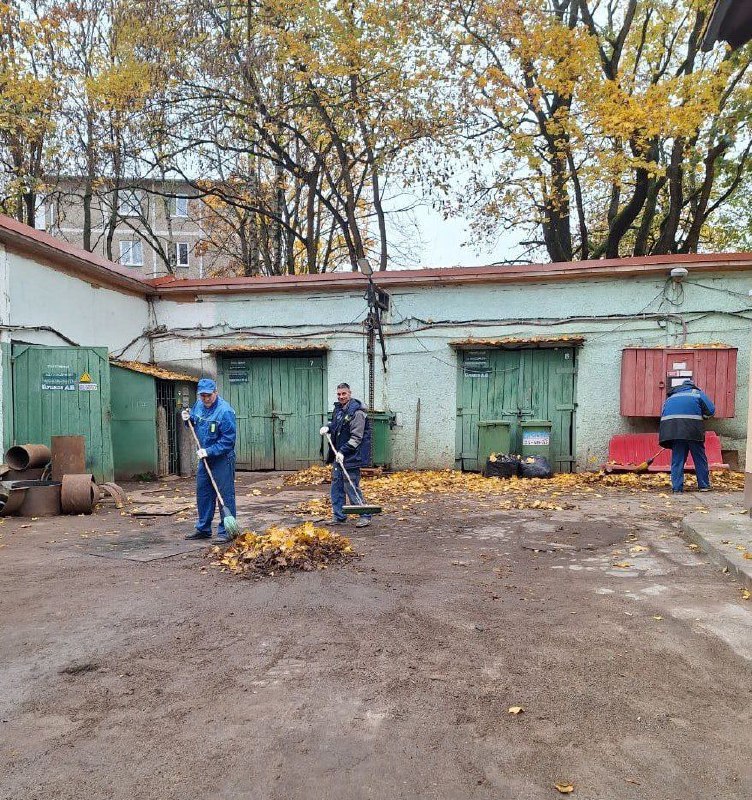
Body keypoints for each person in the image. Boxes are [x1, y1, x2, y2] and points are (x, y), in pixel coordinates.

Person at [182, 378, 238, 542]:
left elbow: (228, 441)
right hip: (204, 458)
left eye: (209, 395)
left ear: (216, 393)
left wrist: (209, 451)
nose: (206, 399)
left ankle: (225, 531)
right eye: (203, 396)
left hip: (222, 459)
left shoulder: (225, 412)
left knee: (224, 495)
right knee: (204, 493)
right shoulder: (198, 405)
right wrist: (188, 419)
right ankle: (203, 528)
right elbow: (193, 423)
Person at [320, 383, 372, 527]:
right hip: (339, 456)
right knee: (336, 486)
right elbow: (336, 425)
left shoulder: (357, 413)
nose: (341, 396)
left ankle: (365, 515)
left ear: (350, 393)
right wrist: (328, 427)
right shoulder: (339, 409)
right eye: (339, 394)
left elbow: (357, 438)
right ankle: (339, 516)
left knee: (351, 486)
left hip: (352, 456)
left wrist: (343, 452)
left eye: (344, 394)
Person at [659, 379, 715, 493]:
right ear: (693, 386)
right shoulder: (697, 393)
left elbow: (664, 413)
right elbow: (711, 410)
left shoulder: (671, 397)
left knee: (677, 459)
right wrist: (702, 415)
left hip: (674, 431)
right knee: (699, 458)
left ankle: (677, 488)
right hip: (692, 430)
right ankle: (704, 486)